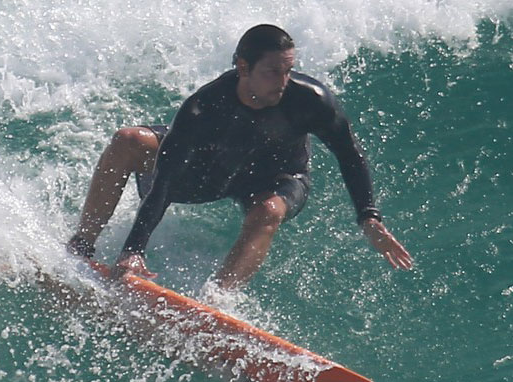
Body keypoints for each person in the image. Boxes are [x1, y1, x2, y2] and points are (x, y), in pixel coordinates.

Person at [67, 24, 412, 289]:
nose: (283, 81)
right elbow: (165, 182)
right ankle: (81, 246)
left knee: (269, 210)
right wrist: (133, 250)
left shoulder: (312, 101)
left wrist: (369, 218)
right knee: (129, 139)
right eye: (272, 72)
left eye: (289, 70)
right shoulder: (205, 106)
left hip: (277, 178)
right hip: (210, 172)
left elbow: (349, 154)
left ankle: (216, 302)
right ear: (243, 67)